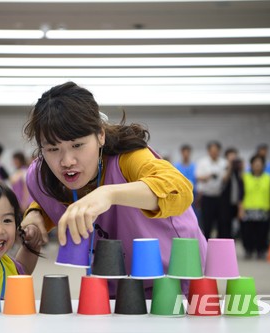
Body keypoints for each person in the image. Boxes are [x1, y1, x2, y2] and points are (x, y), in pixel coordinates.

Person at [20, 81, 206, 297]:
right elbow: (53, 201)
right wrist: (36, 215)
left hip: (173, 273)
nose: (66, 161)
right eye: (52, 149)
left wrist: (110, 193)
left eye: (77, 145)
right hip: (112, 276)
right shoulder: (40, 176)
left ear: (100, 135)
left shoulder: (128, 159)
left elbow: (180, 191)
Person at [238, 155, 270, 259]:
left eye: (259, 164)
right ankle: (248, 250)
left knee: (262, 232)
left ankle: (261, 251)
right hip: (248, 209)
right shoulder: (245, 177)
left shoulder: (268, 178)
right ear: (251, 165)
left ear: (263, 165)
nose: (257, 166)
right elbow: (241, 195)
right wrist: (240, 209)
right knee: (247, 232)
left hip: (263, 210)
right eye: (255, 163)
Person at [195, 141, 228, 239]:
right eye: (212, 151)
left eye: (216, 151)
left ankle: (220, 244)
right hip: (207, 196)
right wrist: (208, 176)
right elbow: (197, 177)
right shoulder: (202, 162)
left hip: (220, 196)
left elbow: (225, 178)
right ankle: (206, 243)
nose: (214, 153)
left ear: (219, 151)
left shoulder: (224, 163)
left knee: (221, 222)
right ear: (208, 151)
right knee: (207, 222)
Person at [220, 147, 244, 239]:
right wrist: (229, 166)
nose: (233, 157)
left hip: (237, 202)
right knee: (225, 224)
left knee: (237, 224)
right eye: (230, 155)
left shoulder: (238, 169)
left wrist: (241, 168)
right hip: (226, 202)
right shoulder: (224, 167)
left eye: (234, 155)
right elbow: (224, 180)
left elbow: (242, 182)